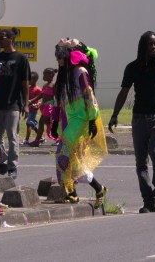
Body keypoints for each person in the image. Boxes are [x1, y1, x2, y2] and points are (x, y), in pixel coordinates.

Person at [109, 31, 155, 213]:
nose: (153, 47)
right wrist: (114, 115)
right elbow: (124, 91)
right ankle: (148, 201)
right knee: (141, 163)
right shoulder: (132, 67)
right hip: (138, 119)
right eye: (149, 44)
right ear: (142, 46)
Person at [53, 41, 108, 206]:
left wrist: (92, 120)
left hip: (82, 119)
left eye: (60, 57)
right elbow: (58, 100)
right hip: (70, 119)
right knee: (72, 158)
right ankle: (95, 189)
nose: (58, 60)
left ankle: (72, 192)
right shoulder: (63, 75)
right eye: (57, 57)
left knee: (63, 153)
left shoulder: (80, 72)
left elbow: (89, 95)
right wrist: (55, 121)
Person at [0, 27, 30, 178]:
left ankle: (12, 166)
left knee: (12, 136)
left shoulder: (21, 58)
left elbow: (25, 83)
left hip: (13, 104)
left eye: (2, 38)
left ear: (11, 39)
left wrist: (26, 104)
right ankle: (2, 162)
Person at [31, 68, 57, 146]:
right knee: (48, 124)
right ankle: (59, 139)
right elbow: (41, 95)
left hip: (49, 106)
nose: (43, 76)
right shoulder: (45, 85)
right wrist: (31, 101)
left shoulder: (53, 85)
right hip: (44, 106)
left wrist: (57, 107)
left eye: (45, 74)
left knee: (41, 122)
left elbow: (57, 96)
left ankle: (37, 141)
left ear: (51, 75)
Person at [23, 72, 43, 145]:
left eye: (30, 79)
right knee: (31, 123)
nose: (28, 81)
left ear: (35, 80)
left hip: (33, 109)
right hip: (28, 108)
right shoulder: (28, 88)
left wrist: (38, 104)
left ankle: (26, 140)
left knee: (28, 123)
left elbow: (41, 97)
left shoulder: (38, 89)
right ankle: (41, 137)